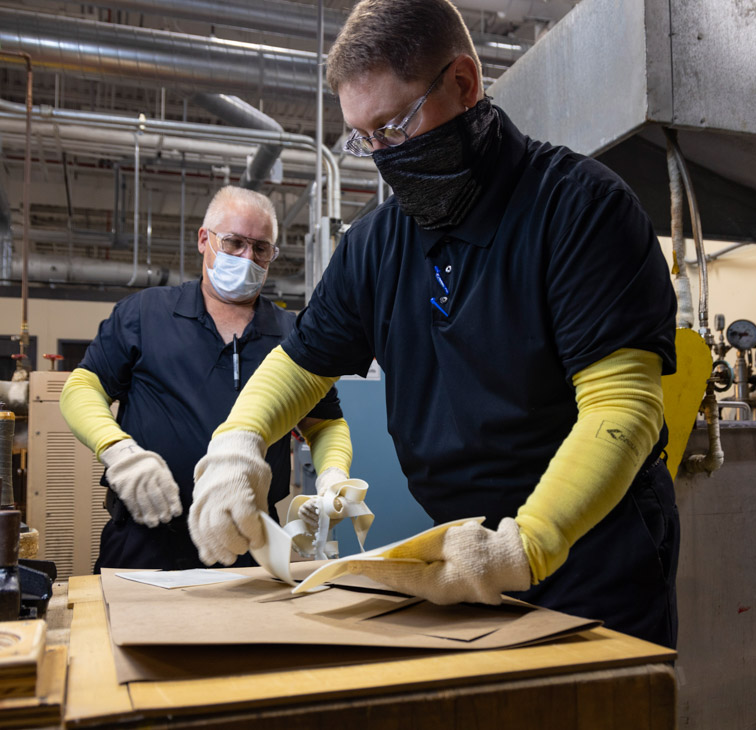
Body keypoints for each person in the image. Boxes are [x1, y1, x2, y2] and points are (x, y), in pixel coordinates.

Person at [186, 0, 680, 648]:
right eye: (364, 138)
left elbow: (624, 406)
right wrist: (237, 442)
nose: (380, 156)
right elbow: (303, 362)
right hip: (464, 556)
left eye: (393, 126)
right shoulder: (376, 245)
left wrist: (527, 544)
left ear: (464, 85)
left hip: (592, 559)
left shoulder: (579, 210)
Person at [59, 186, 352, 571]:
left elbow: (325, 423)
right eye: (234, 243)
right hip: (144, 538)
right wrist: (118, 451)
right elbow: (81, 388)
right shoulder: (145, 315)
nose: (248, 258)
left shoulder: (292, 334)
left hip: (248, 541)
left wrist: (332, 475)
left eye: (260, 248)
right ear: (204, 239)